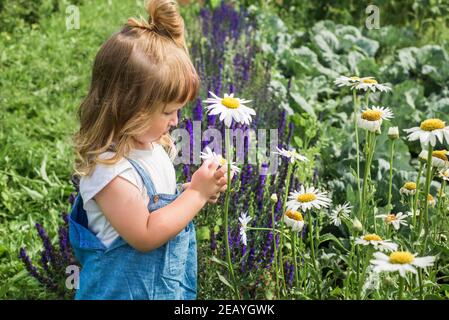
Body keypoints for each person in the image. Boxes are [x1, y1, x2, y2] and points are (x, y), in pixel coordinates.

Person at [69, 0, 227, 299]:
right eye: (169, 111)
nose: (176, 120)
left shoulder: (150, 148)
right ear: (130, 108)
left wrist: (191, 190)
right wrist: (195, 195)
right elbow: (144, 233)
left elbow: (151, 202)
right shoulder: (110, 172)